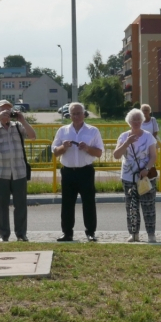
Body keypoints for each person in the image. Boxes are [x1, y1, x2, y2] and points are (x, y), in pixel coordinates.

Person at [0, 99, 36, 242]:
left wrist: (23, 120)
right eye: (3, 110)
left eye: (8, 110)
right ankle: (3, 235)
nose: (6, 113)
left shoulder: (17, 127)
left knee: (21, 205)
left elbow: (33, 136)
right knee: (1, 206)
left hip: (19, 172)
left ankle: (21, 234)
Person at [51, 102, 103, 242]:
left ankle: (90, 232)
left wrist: (87, 148)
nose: (76, 116)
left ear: (84, 113)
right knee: (67, 203)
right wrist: (64, 147)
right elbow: (55, 152)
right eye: (73, 113)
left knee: (89, 202)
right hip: (68, 171)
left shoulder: (93, 130)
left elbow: (98, 152)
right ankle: (67, 233)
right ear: (69, 115)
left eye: (79, 113)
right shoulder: (63, 131)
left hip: (85, 171)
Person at [113, 108, 158, 243]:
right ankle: (134, 233)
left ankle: (151, 234)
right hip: (128, 177)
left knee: (148, 206)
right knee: (131, 206)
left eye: (139, 119)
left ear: (142, 120)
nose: (137, 122)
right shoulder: (123, 136)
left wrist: (146, 168)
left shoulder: (148, 136)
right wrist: (127, 143)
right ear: (129, 122)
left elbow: (153, 156)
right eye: (134, 120)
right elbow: (116, 155)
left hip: (145, 176)